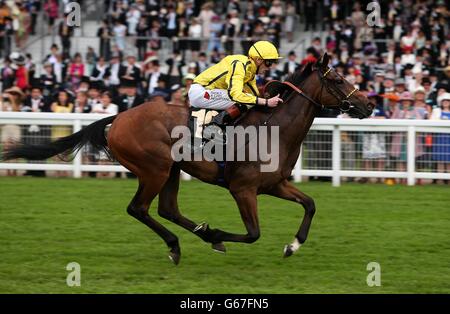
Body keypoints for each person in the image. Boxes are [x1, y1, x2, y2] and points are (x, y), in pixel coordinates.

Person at [188, 40, 283, 126]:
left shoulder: (250, 71)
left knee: (250, 99)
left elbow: (255, 95)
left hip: (211, 92)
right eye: (269, 63)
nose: (270, 67)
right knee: (244, 100)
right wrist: (266, 102)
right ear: (258, 60)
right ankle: (215, 127)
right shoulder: (239, 64)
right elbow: (235, 95)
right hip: (201, 92)